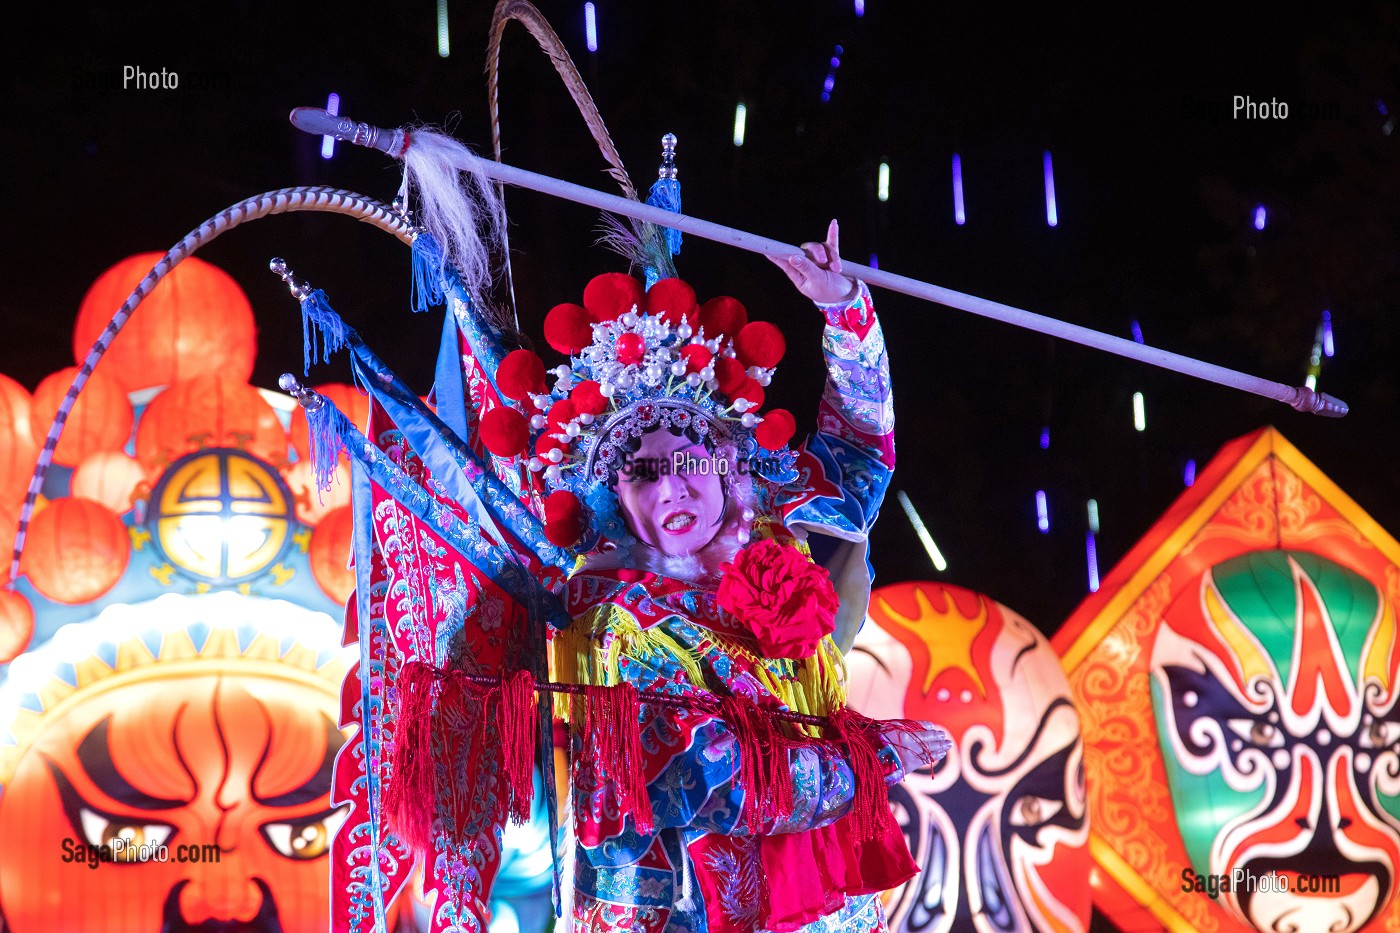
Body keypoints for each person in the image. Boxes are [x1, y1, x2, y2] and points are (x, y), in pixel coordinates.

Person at [543, 220, 948, 933]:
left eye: (689, 462)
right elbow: (711, 777)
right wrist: (873, 757)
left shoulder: (770, 544)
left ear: (727, 468)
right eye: (644, 473)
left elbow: (860, 454)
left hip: (824, 905)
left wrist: (844, 309)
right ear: (614, 499)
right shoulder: (615, 620)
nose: (672, 487)